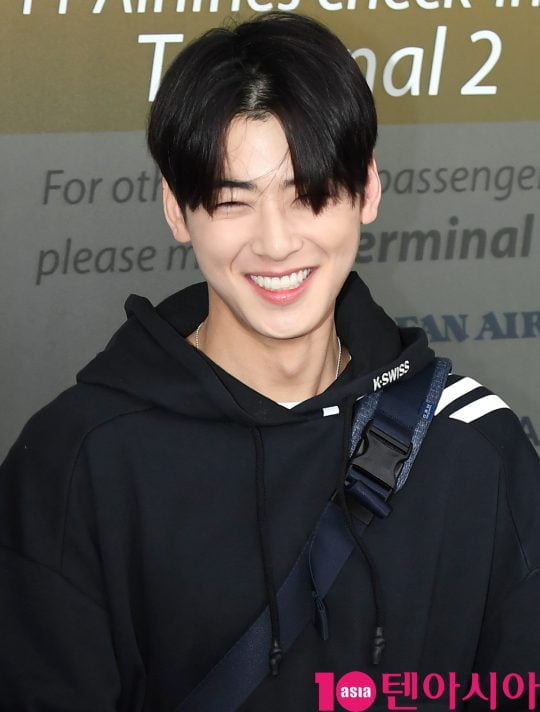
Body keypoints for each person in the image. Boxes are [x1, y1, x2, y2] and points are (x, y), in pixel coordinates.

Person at [0, 11, 539, 712]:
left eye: (309, 194)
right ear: (176, 210)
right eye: (233, 202)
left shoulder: (472, 445)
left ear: (368, 189)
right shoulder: (76, 460)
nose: (277, 244)